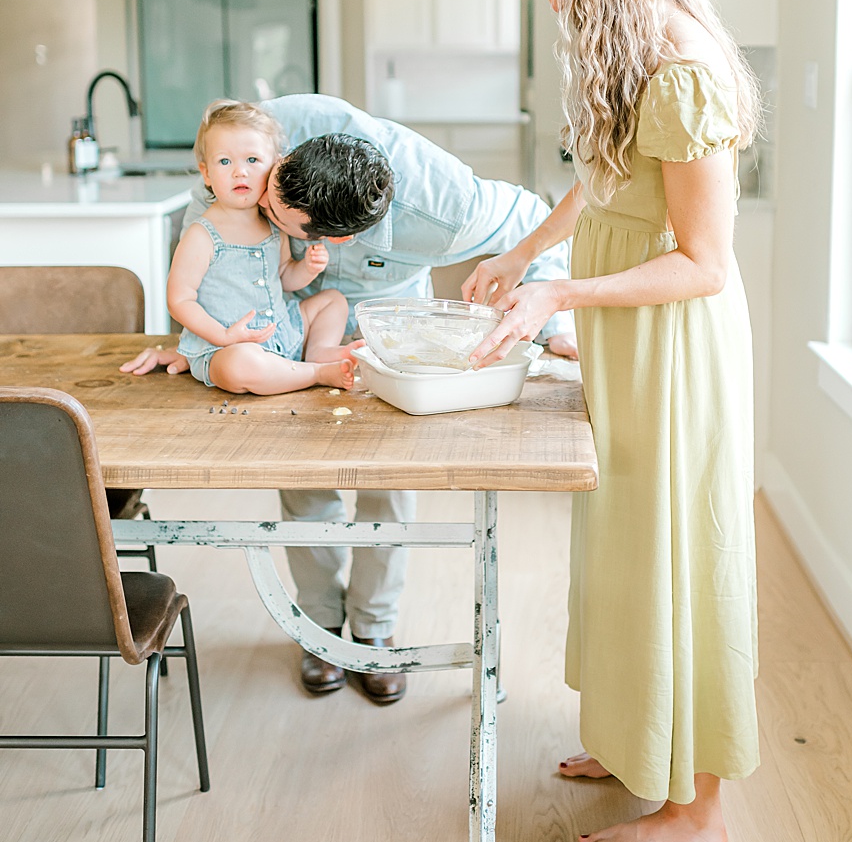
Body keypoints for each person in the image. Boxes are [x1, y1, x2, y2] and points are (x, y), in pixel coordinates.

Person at [459, 0, 761, 842]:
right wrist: (522, 254)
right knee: (627, 546)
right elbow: (601, 184)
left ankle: (699, 813)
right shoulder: (630, 51)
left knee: (683, 549)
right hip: (628, 339)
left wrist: (559, 297)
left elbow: (703, 262)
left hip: (673, 347)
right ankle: (637, 739)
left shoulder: (682, 70)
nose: (550, 1)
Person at [123, 95, 580, 704]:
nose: (259, 202)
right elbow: (206, 231)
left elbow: (532, 217)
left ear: (340, 237)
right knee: (306, 478)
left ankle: (373, 632)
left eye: (276, 215)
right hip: (288, 331)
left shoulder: (444, 206)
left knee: (387, 487)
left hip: (389, 326)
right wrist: (200, 339)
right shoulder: (260, 141)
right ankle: (318, 631)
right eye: (268, 193)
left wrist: (553, 323)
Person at [167, 99, 356, 394]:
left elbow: (284, 278)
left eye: (252, 161)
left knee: (333, 300)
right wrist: (224, 336)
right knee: (240, 366)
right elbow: (179, 299)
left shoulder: (272, 224)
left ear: (274, 165)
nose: (239, 172)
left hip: (282, 331)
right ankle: (315, 372)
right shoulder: (201, 235)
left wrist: (306, 268)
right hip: (228, 347)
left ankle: (319, 350)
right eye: (225, 162)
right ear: (206, 173)